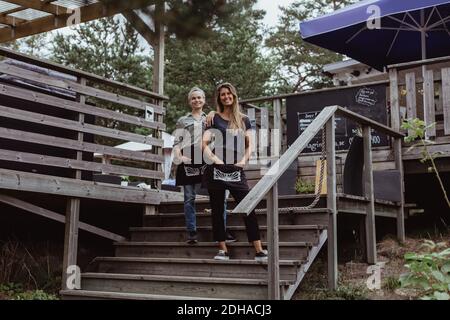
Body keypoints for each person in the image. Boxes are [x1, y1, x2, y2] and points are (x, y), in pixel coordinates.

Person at [202, 83, 267, 261]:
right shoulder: (213, 118)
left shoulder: (244, 119)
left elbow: (250, 145)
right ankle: (222, 250)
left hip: (236, 169)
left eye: (229, 94)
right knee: (217, 210)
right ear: (219, 98)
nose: (226, 97)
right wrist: (215, 160)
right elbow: (204, 144)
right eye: (223, 94)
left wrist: (243, 161)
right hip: (216, 169)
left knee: (248, 207)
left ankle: (259, 250)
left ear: (234, 96)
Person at [173, 87, 235, 244]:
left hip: (207, 158)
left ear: (204, 100)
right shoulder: (182, 120)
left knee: (219, 195)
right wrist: (179, 157)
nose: (196, 100)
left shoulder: (211, 118)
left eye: (199, 98)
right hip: (188, 158)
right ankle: (192, 233)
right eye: (193, 98)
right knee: (189, 198)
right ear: (189, 101)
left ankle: (221, 230)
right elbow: (176, 142)